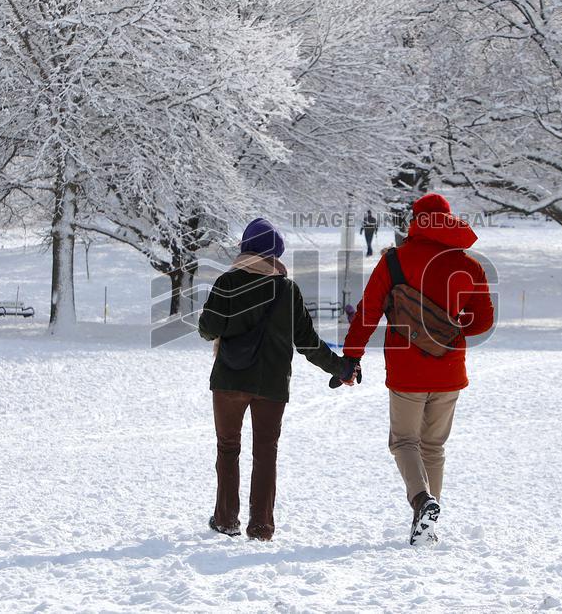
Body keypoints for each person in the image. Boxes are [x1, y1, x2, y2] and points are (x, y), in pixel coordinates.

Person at [343, 193, 494, 546]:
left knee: (404, 441)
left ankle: (421, 501)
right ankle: (427, 524)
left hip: (407, 369)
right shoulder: (469, 266)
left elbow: (368, 312)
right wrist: (449, 329)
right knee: (433, 447)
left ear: (416, 219)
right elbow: (483, 321)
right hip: (450, 370)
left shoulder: (395, 262)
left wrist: (351, 357)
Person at [197, 218, 358, 542]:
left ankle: (226, 519)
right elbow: (308, 342)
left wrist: (231, 322)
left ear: (245, 248)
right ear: (276, 254)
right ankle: (261, 527)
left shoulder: (228, 283)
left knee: (228, 448)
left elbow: (207, 329)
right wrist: (340, 369)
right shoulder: (287, 290)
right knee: (265, 452)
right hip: (271, 385)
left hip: (229, 379)